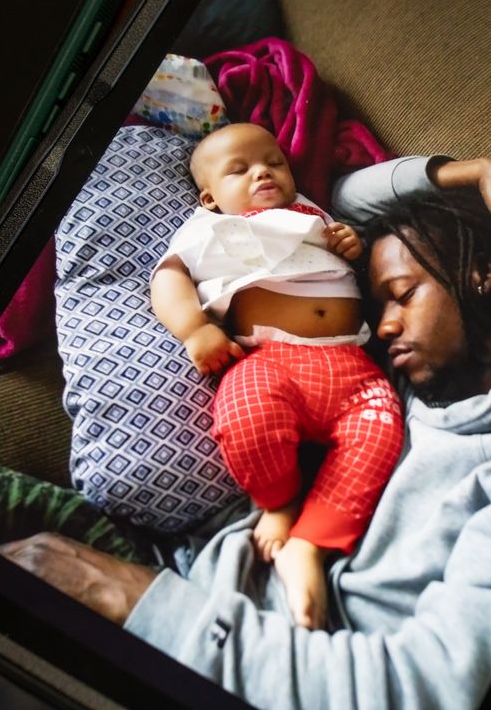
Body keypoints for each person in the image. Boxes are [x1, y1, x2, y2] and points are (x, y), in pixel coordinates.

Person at [0, 156, 491, 709]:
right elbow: (348, 200)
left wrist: (135, 601)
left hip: (205, 642)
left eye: (402, 293)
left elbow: (433, 688)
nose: (382, 327)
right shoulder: (415, 386)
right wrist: (483, 170)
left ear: (480, 274)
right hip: (199, 569)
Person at [150, 123, 403, 630]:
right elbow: (167, 277)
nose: (263, 171)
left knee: (381, 433)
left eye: (274, 161)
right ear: (210, 197)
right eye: (239, 170)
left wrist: (350, 242)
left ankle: (312, 540)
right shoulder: (208, 229)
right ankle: (280, 502)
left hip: (356, 371)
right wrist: (194, 328)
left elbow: (349, 258)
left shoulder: (313, 213)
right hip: (268, 362)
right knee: (246, 418)